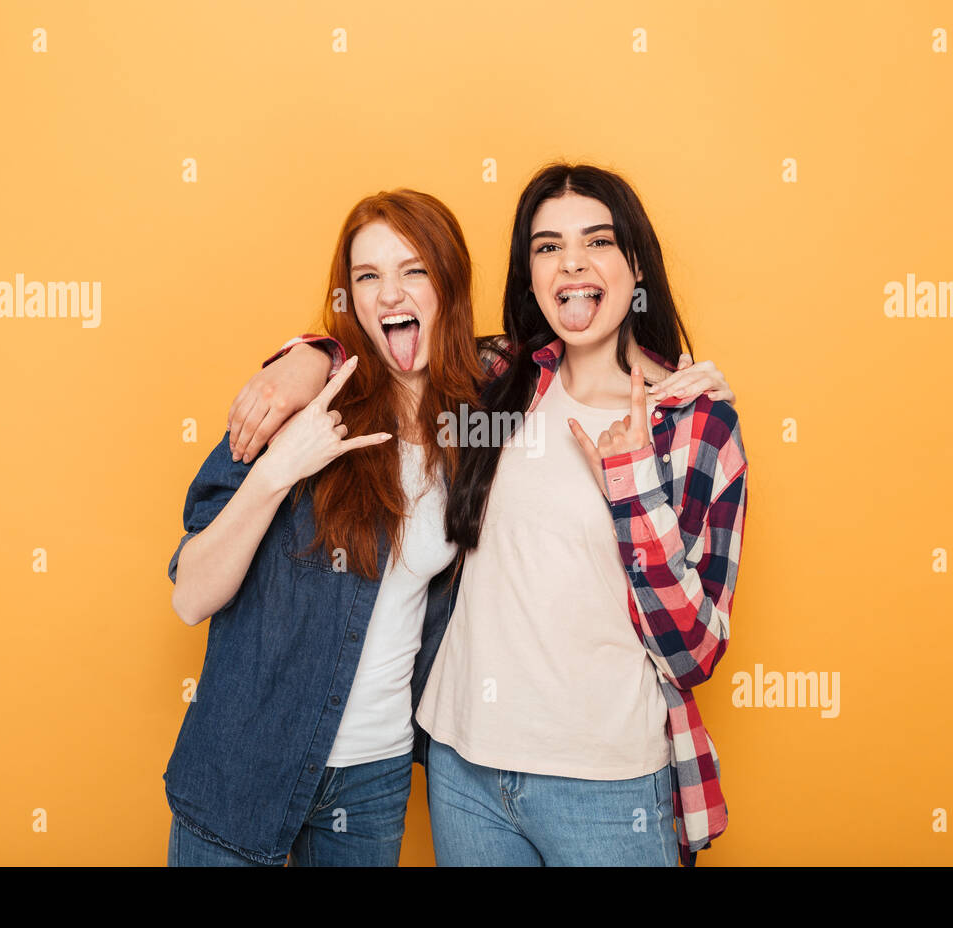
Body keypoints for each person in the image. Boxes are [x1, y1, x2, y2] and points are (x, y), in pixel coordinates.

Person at [225, 163, 748, 866]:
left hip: (605, 784)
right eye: (546, 246)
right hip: (464, 766)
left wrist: (629, 487)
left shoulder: (695, 425)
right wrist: (307, 359)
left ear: (634, 264)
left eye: (596, 242)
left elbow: (693, 651)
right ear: (528, 273)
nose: (571, 264)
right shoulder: (499, 378)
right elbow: (392, 344)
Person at [163, 189, 483, 865]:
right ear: (350, 299)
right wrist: (279, 468)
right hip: (245, 762)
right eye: (368, 276)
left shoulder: (475, 427)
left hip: (374, 778)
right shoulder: (296, 407)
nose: (390, 293)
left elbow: (569, 350)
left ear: (449, 284)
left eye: (414, 270)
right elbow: (190, 595)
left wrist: (672, 384)